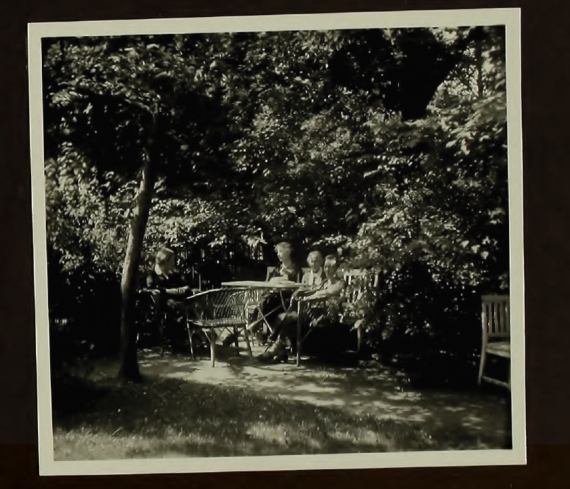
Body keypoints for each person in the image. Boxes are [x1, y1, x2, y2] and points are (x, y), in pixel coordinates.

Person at [258, 254, 346, 363]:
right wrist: (301, 294)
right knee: (287, 320)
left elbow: (327, 293)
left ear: (336, 268)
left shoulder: (340, 283)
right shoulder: (324, 283)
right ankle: (278, 351)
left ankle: (273, 344)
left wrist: (309, 297)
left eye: (331, 267)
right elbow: (313, 291)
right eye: (326, 267)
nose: (327, 270)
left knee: (288, 317)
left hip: (325, 315)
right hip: (312, 312)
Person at [247, 242, 300, 345]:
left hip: (287, 301)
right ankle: (257, 330)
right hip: (273, 299)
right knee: (262, 301)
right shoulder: (277, 269)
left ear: (288, 252)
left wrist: (287, 277)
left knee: (264, 302)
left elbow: (297, 287)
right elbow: (268, 284)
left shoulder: (295, 269)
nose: (278, 254)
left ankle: (254, 329)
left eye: (280, 251)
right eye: (277, 252)